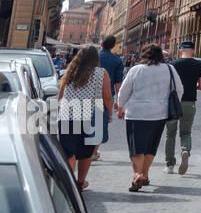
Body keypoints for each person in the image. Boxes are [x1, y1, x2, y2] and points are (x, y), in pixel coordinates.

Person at [115, 43, 184, 192]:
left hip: (136, 113)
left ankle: (137, 174)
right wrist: (167, 104)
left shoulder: (136, 70)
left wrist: (121, 106)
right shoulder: (169, 69)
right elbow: (179, 90)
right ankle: (145, 174)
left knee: (136, 147)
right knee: (151, 146)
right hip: (159, 114)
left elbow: (124, 91)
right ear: (160, 55)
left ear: (144, 55)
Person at [55, 46, 112, 191]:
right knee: (87, 152)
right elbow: (106, 95)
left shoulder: (70, 71)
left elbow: (61, 95)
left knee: (69, 152)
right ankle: (80, 182)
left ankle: (68, 183)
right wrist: (109, 113)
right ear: (96, 59)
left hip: (68, 112)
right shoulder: (101, 73)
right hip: (94, 114)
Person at [164, 40, 201, 175]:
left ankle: (169, 165)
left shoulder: (172, 65)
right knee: (186, 132)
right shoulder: (199, 65)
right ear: (193, 51)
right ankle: (185, 151)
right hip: (189, 102)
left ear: (181, 50)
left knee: (170, 134)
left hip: (173, 102)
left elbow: (166, 85)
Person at [94, 36, 125, 163]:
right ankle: (94, 152)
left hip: (87, 92)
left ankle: (84, 150)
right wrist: (119, 101)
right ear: (113, 46)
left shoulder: (93, 56)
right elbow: (118, 84)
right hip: (106, 94)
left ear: (101, 43)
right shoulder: (117, 60)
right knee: (99, 123)